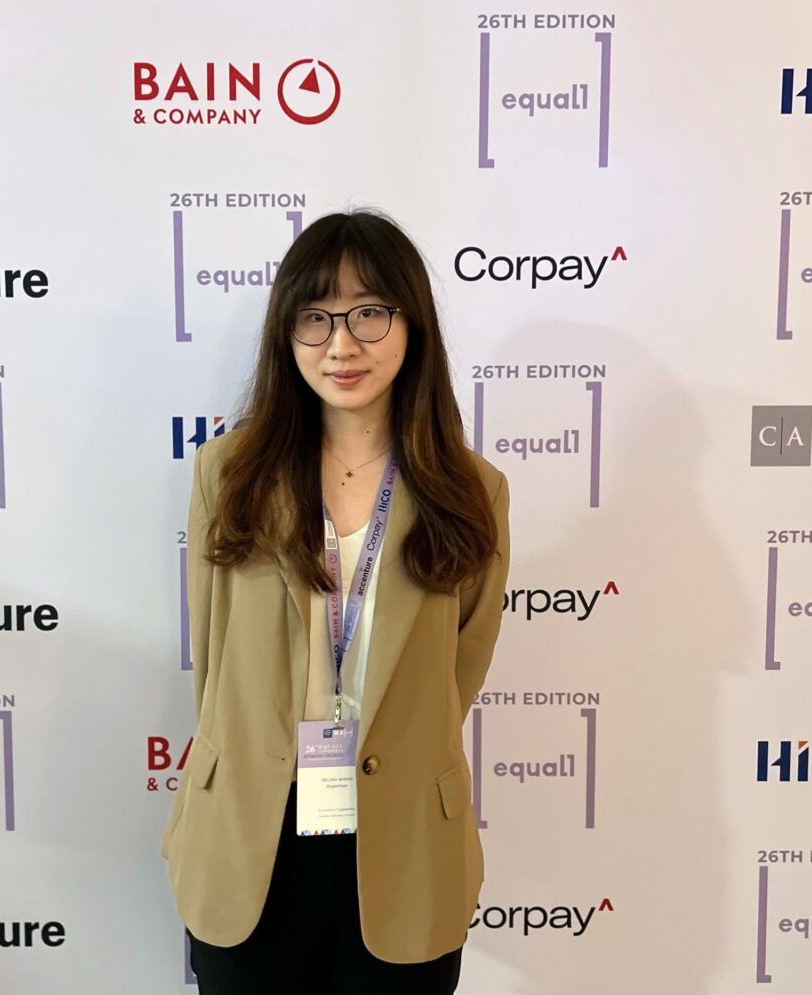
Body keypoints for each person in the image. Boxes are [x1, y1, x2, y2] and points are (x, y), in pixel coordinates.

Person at [160, 209, 511, 994]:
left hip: (404, 830)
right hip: (253, 825)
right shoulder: (229, 473)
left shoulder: (472, 491)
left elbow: (461, 667)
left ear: (412, 323)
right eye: (315, 317)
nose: (341, 345)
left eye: (369, 313)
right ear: (286, 333)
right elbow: (212, 658)